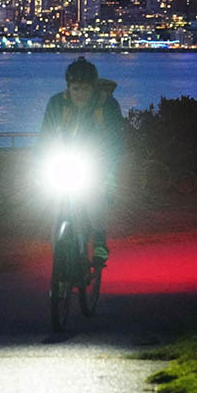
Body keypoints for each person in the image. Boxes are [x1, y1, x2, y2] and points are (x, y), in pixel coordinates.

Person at [39, 56, 124, 264]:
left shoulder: (108, 106)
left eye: (84, 89)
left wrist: (108, 170)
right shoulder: (57, 103)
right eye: (75, 89)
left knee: (96, 198)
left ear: (94, 88)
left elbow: (116, 141)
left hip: (98, 161)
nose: (79, 94)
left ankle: (100, 242)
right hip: (67, 158)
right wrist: (38, 165)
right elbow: (45, 137)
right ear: (68, 87)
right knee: (52, 198)